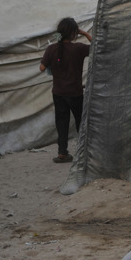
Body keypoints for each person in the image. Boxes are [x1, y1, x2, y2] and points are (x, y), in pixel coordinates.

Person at [38, 17, 93, 163]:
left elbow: (42, 68)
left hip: (58, 93)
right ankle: (84, 153)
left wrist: (52, 63)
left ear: (59, 33)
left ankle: (62, 153)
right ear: (74, 33)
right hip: (75, 93)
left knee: (61, 123)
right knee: (81, 122)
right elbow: (97, 49)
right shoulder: (79, 48)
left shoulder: (51, 49)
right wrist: (85, 33)